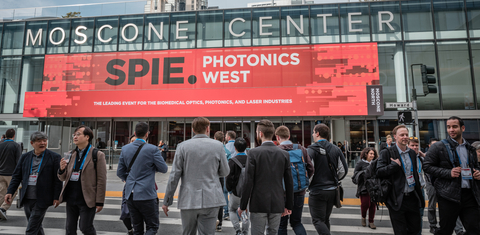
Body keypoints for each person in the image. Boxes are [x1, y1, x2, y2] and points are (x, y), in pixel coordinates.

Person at [162, 117, 230, 235]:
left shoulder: (182, 147)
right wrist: (213, 172)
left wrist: (167, 200)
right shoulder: (218, 146)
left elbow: (174, 176)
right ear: (208, 129)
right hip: (211, 199)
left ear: (193, 130)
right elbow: (225, 172)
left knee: (188, 232)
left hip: (189, 199)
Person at [424, 116, 480, 235]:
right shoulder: (438, 147)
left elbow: (476, 166)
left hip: (469, 194)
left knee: (475, 229)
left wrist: (478, 173)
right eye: (448, 127)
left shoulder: (470, 148)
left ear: (462, 128)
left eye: (454, 126)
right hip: (448, 196)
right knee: (446, 230)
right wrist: (448, 173)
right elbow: (427, 166)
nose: (451, 130)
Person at [239, 119, 294, 235]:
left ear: (260, 134)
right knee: (273, 232)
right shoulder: (284, 154)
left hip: (258, 202)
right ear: (273, 134)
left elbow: (248, 181)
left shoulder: (253, 153)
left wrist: (243, 205)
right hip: (277, 201)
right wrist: (289, 205)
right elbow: (289, 182)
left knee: (257, 232)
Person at [4, 132, 62, 234]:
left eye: (44, 141)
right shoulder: (25, 157)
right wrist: (10, 191)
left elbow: (58, 179)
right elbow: (17, 176)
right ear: (32, 143)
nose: (43, 143)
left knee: (31, 228)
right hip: (27, 196)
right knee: (36, 225)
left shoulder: (54, 157)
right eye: (39, 141)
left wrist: (57, 196)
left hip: (43, 197)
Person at [117, 122, 168, 235]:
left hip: (131, 194)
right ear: (147, 134)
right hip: (147, 193)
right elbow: (164, 169)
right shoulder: (152, 149)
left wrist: (129, 179)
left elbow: (120, 172)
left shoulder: (125, 149)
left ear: (135, 133)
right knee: (152, 227)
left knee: (137, 228)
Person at [58, 125, 107, 235]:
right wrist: (61, 170)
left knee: (85, 228)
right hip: (71, 197)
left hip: (87, 198)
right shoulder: (71, 154)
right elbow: (63, 177)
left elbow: (101, 180)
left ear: (87, 137)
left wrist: (99, 201)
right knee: (69, 229)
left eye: (78, 134)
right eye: (74, 135)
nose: (75, 137)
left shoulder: (97, 155)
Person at [376, 125, 425, 235]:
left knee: (415, 229)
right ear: (395, 137)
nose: (405, 137)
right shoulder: (387, 152)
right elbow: (378, 172)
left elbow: (414, 172)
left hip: (412, 197)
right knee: (400, 231)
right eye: (401, 135)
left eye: (406, 135)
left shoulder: (412, 152)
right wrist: (393, 166)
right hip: (397, 199)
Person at [307, 123, 348, 235]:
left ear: (318, 133)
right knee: (325, 220)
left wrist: (308, 185)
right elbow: (343, 170)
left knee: (317, 220)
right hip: (332, 190)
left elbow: (310, 171)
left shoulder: (311, 150)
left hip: (317, 190)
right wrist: (334, 178)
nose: (312, 134)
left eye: (313, 132)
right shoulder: (336, 149)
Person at [275, 125, 314, 235]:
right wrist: (303, 181)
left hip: (282, 194)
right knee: (296, 223)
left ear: (277, 137)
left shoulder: (276, 151)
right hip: (299, 191)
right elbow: (311, 168)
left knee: (281, 225)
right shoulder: (301, 149)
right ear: (289, 136)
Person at [226, 137, 250, 235]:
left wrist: (230, 190)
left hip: (235, 192)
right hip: (247, 193)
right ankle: (245, 232)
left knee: (232, 210)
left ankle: (237, 230)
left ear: (235, 148)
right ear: (246, 147)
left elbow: (229, 178)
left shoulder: (232, 161)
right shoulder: (250, 159)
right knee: (245, 212)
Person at [352, 147, 378, 229]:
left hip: (374, 187)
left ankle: (371, 221)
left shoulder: (375, 163)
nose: (372, 155)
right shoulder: (360, 163)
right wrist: (363, 173)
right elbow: (355, 174)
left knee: (373, 205)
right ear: (366, 154)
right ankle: (363, 217)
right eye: (371, 153)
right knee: (365, 204)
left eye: (373, 154)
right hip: (364, 187)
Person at [0, 128, 22, 220]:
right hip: (11, 174)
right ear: (14, 135)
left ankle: (0, 210)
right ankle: (3, 208)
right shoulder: (16, 146)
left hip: (0, 173)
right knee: (12, 192)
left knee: (1, 192)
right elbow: (19, 161)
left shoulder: (0, 144)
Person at [408, 137, 427, 235]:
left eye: (416, 145)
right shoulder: (405, 157)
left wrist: (424, 156)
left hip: (420, 190)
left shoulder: (420, 157)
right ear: (408, 146)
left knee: (420, 214)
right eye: (412, 145)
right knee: (409, 215)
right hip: (410, 190)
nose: (415, 147)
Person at [213, 131, 228, 232]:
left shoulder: (212, 148)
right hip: (221, 176)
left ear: (214, 138)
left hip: (212, 176)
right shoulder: (223, 148)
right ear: (223, 139)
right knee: (220, 197)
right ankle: (219, 224)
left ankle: (212, 220)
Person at [223, 130, 236, 221]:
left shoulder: (225, 147)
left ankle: (226, 212)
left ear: (228, 138)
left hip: (226, 172)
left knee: (224, 192)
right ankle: (237, 214)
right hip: (236, 173)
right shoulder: (238, 146)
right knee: (235, 193)